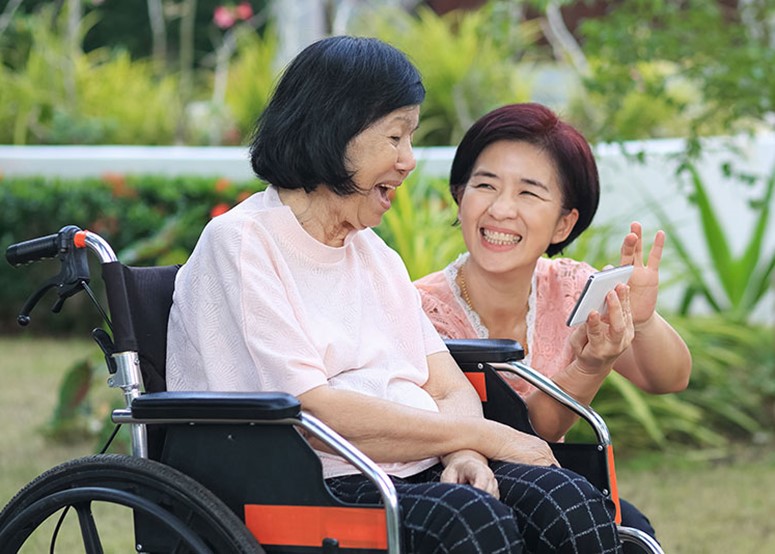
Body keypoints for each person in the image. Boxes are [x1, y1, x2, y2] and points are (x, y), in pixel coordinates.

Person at [166, 38, 630, 553]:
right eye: (395, 136)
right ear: (333, 130)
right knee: (473, 522)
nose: (408, 161)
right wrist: (488, 438)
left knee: (566, 497)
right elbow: (314, 412)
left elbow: (448, 385)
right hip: (307, 482)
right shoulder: (245, 243)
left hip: (414, 464)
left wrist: (464, 454)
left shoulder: (373, 255)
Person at [414, 102, 693, 546]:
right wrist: (589, 367)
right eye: (485, 185)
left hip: (554, 487)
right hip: (461, 500)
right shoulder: (419, 309)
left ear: (564, 222)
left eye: (528, 192)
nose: (502, 209)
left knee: (633, 528)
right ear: (459, 194)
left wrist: (642, 320)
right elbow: (522, 437)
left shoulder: (571, 288)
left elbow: (671, 378)